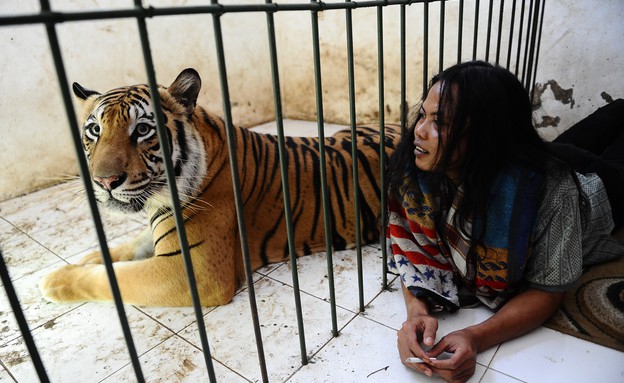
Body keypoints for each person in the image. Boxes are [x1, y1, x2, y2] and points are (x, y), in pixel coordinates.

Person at [385, 60, 624, 382]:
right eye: (423, 115)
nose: (419, 130)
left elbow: (548, 289)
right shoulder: (419, 173)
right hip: (548, 153)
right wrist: (416, 312)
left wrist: (476, 336)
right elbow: (412, 251)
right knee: (604, 121)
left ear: (485, 136)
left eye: (439, 122)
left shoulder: (549, 191)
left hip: (601, 187)